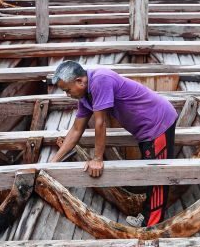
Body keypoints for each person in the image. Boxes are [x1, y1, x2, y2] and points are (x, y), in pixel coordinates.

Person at [49, 60, 178, 228]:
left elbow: (100, 122)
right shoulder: (85, 96)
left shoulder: (100, 80)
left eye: (67, 90)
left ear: (80, 81)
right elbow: (76, 130)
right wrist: (54, 161)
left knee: (157, 173)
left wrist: (97, 159)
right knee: (152, 170)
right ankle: (148, 216)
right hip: (145, 131)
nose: (68, 95)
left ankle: (151, 226)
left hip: (158, 123)